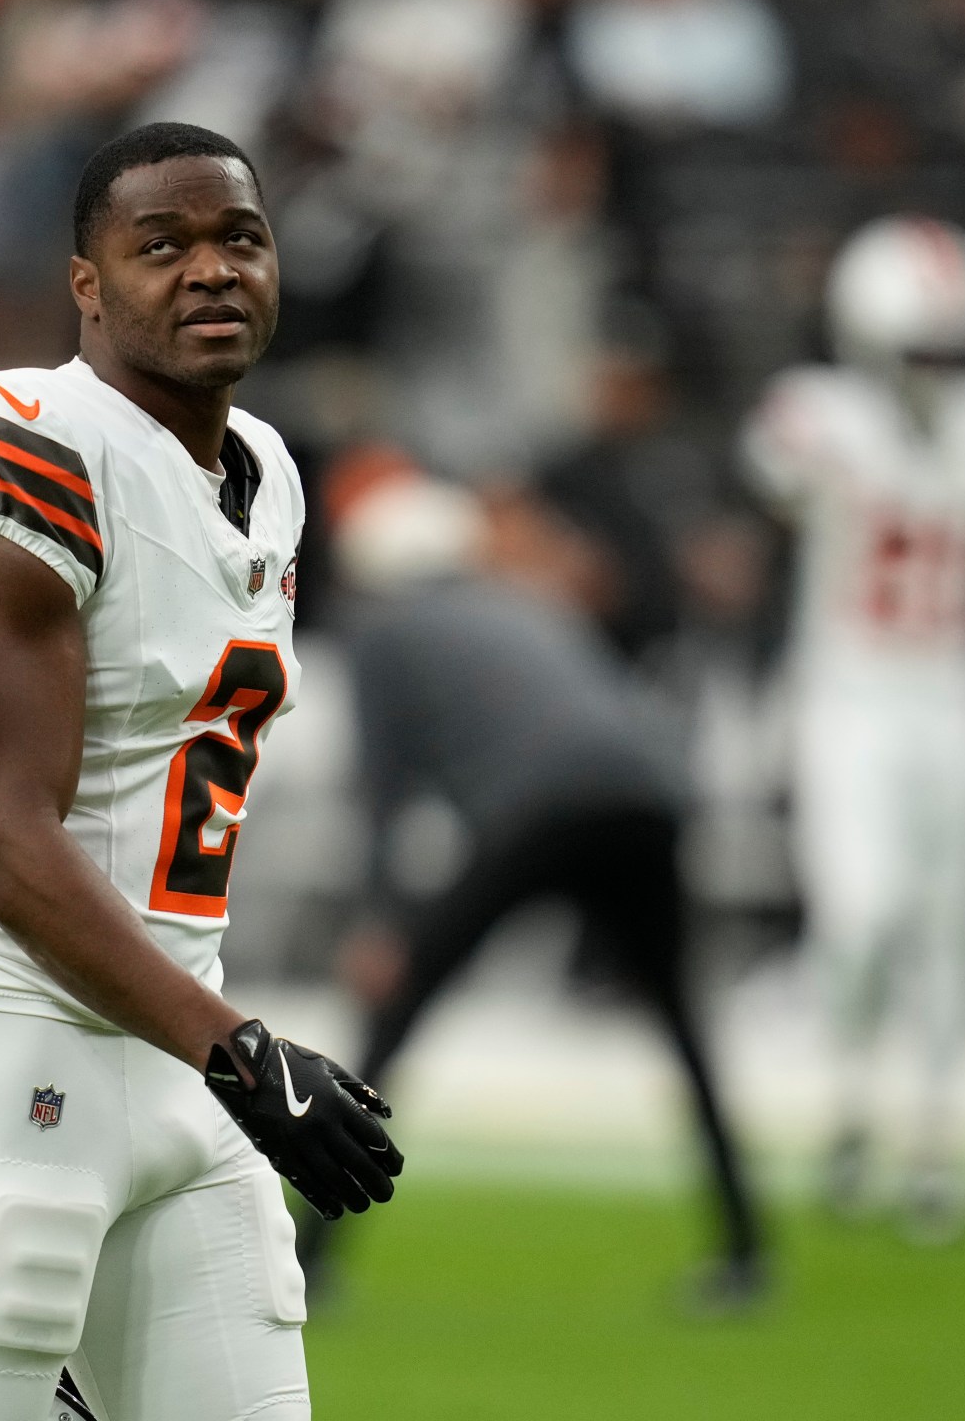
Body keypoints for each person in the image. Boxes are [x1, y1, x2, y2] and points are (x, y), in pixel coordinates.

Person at [0, 121, 401, 1421]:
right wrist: (245, 1057)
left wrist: (217, 1054)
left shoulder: (266, 473)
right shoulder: (19, 435)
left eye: (239, 239)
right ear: (86, 284)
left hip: (180, 1060)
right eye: (163, 246)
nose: (211, 271)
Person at [324, 467, 767, 1310]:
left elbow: (385, 794)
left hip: (535, 811)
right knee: (684, 1030)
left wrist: (382, 922)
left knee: (395, 1020)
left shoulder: (384, 631)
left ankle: (312, 1253)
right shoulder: (523, 602)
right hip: (646, 801)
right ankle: (745, 1251)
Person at [742, 215, 965, 1243]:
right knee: (863, 916)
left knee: (951, 933)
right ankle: (849, 1107)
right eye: (915, 348)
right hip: (849, 697)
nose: (933, 372)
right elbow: (775, 479)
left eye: (946, 351)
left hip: (958, 699)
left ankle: (932, 1145)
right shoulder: (816, 414)